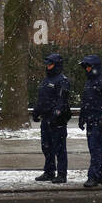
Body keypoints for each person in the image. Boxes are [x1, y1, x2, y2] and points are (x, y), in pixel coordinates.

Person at [32, 52, 71, 183]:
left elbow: (62, 101)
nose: (48, 66)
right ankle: (49, 171)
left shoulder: (62, 81)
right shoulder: (46, 81)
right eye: (47, 64)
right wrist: (36, 111)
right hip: (46, 118)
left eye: (51, 64)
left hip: (57, 120)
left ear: (57, 65)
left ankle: (61, 174)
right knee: (46, 147)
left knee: (59, 148)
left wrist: (56, 114)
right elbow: (41, 99)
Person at [78, 54, 102, 188]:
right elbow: (86, 102)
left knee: (95, 149)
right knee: (96, 149)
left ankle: (93, 176)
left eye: (89, 67)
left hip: (99, 120)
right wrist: (82, 117)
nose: (87, 69)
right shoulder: (89, 82)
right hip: (90, 120)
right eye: (86, 67)